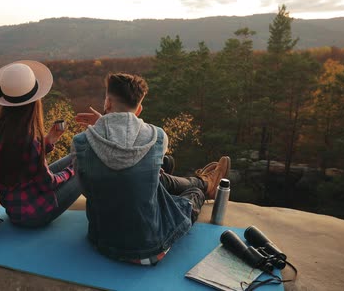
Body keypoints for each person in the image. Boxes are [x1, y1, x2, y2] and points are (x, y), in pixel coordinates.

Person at [72, 73, 230, 265]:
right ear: (139, 109)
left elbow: (86, 190)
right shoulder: (158, 136)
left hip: (102, 241)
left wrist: (101, 125)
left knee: (157, 174)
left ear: (107, 103)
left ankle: (205, 182)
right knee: (194, 193)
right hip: (148, 250)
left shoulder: (80, 143)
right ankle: (205, 185)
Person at [0, 60, 80, 227]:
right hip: (36, 214)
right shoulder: (29, 139)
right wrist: (74, 169)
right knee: (84, 166)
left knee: (75, 156)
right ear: (35, 102)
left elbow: (22, 162)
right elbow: (49, 183)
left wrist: (48, 142)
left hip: (15, 208)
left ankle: (77, 162)